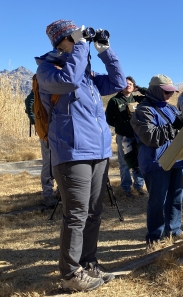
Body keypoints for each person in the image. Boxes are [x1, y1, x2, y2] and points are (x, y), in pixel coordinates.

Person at [35, 19, 127, 291]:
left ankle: (88, 263)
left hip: (98, 152)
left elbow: (118, 82)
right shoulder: (48, 70)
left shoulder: (86, 73)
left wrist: (105, 50)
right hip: (71, 151)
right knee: (76, 213)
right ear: (60, 42)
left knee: (94, 212)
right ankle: (70, 273)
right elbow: (69, 81)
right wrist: (81, 46)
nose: (79, 43)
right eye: (73, 38)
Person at [130, 74, 183, 244]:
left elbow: (181, 130)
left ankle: (174, 232)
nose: (170, 94)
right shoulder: (143, 110)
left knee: (176, 198)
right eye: (166, 91)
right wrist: (174, 127)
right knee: (158, 201)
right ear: (156, 90)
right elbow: (151, 138)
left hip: (176, 160)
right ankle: (154, 238)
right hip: (155, 162)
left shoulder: (171, 108)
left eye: (172, 91)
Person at [105, 76, 146, 198]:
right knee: (124, 163)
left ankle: (139, 186)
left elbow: (153, 96)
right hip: (123, 137)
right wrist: (121, 126)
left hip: (138, 135)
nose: (128, 85)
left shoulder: (137, 98)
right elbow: (109, 119)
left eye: (131, 84)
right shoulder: (114, 101)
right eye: (125, 83)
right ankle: (126, 188)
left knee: (139, 162)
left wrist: (139, 89)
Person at [24, 89, 58, 206]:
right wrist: (36, 122)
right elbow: (29, 101)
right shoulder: (43, 81)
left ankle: (60, 192)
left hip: (59, 130)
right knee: (48, 164)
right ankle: (48, 195)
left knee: (61, 163)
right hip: (47, 131)